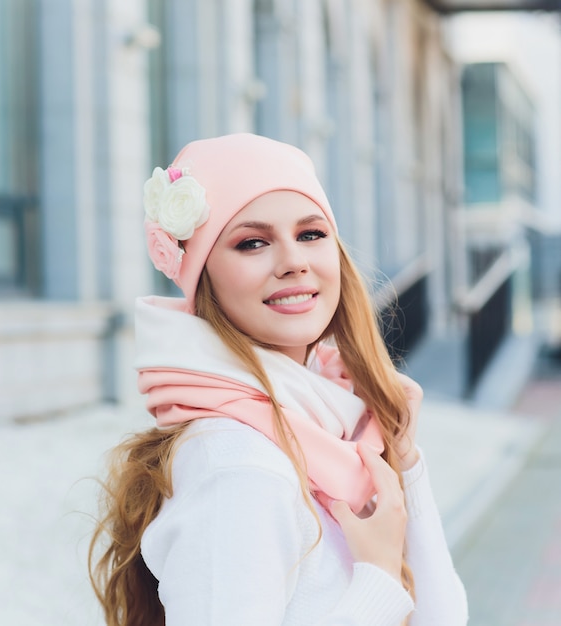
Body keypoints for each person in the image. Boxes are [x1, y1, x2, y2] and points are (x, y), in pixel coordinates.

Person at [88, 133, 468, 626]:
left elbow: (443, 618)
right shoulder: (238, 464)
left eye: (311, 234)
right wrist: (376, 581)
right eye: (252, 242)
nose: (293, 261)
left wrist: (405, 466)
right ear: (205, 277)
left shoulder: (328, 429)